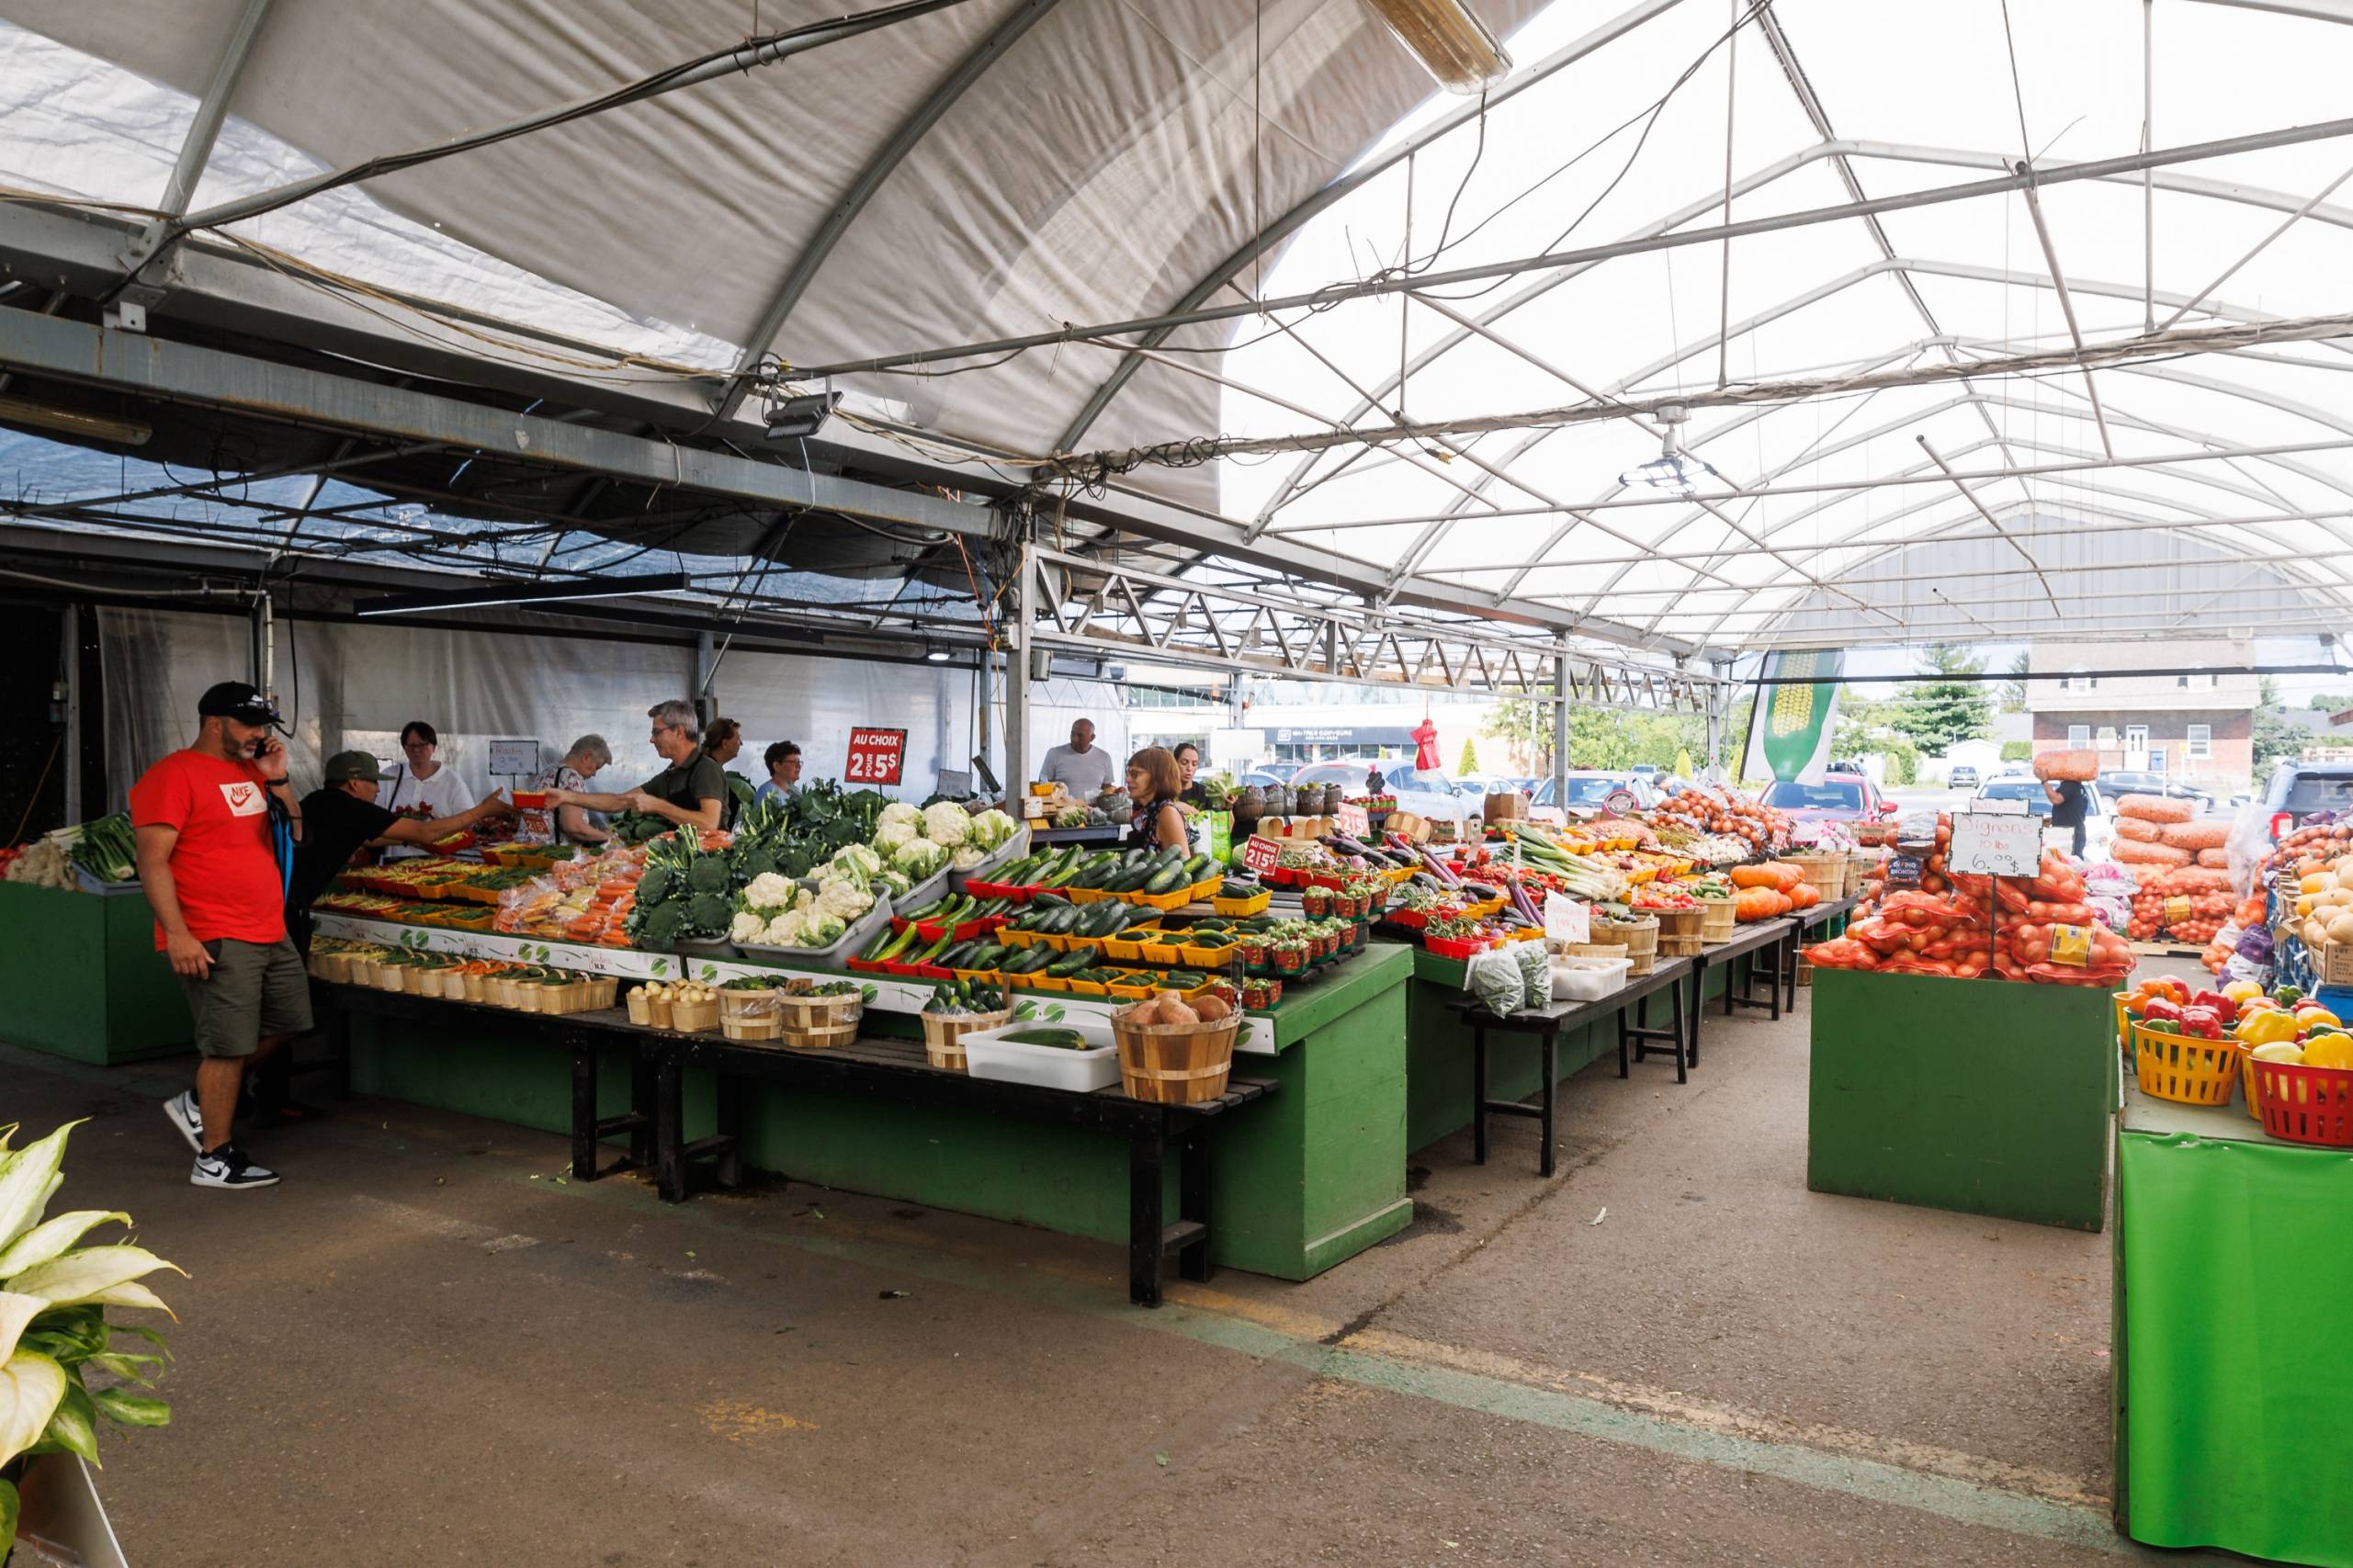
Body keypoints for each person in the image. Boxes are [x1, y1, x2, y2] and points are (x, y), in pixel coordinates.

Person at [132, 681, 308, 1190]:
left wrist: (278, 780)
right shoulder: (172, 775)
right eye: (250, 724)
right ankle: (214, 1157)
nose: (260, 734)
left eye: (264, 726)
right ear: (215, 723)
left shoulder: (253, 772)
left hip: (267, 927)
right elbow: (152, 862)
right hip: (213, 931)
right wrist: (178, 935)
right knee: (227, 1048)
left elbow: (296, 831)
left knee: (289, 1021)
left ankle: (197, 1101)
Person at [288, 751, 515, 953]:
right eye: (374, 782)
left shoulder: (315, 800)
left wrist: (410, 842)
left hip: (281, 895)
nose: (378, 789)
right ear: (354, 783)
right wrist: (482, 810)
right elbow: (424, 832)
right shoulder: (354, 809)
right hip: (290, 905)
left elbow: (369, 839)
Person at [549, 699, 727, 834]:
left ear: (679, 732)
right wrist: (566, 796)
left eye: (657, 732)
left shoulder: (705, 769)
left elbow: (709, 823)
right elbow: (619, 801)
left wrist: (659, 805)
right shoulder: (670, 774)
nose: (652, 739)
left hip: (710, 863)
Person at [380, 719, 471, 858]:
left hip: (440, 862)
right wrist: (407, 839)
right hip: (395, 860)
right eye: (410, 746)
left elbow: (467, 820)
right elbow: (374, 820)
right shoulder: (389, 776)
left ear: (433, 746)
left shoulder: (452, 780)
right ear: (404, 748)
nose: (416, 750)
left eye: (422, 745)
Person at [538, 735, 615, 847]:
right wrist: (607, 838)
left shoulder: (548, 771)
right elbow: (574, 827)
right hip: (549, 853)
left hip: (531, 848)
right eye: (596, 767)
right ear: (586, 757)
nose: (594, 774)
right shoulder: (571, 777)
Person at [1126, 747, 1190, 853]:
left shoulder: (1167, 813)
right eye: (1128, 773)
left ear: (1157, 777)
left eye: (1135, 774)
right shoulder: (1148, 811)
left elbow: (1182, 865)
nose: (1128, 779)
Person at [1040, 718, 1117, 798]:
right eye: (1072, 734)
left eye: (1080, 736)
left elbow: (1108, 789)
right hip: (1061, 809)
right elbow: (1042, 783)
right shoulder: (1054, 754)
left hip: (1094, 809)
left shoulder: (1104, 758)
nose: (1075, 739)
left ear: (1092, 737)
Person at [703, 716, 750, 828]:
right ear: (725, 743)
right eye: (738, 739)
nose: (741, 743)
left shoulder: (711, 768)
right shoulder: (709, 771)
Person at [2044, 773, 2090, 857]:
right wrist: (2054, 819)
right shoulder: (2079, 787)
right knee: (2073, 866)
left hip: (2067, 838)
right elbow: (2075, 812)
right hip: (2076, 835)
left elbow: (2056, 799)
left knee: (2067, 867)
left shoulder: (2070, 784)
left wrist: (2044, 781)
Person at [753, 740, 803, 807]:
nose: (799, 766)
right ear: (777, 766)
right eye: (794, 762)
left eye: (799, 762)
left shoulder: (797, 792)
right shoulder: (766, 793)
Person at [1173, 742, 1206, 811]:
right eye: (1184, 763)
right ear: (1174, 763)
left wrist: (1228, 807)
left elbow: (1224, 820)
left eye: (1194, 764)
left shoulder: (1204, 792)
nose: (1189, 768)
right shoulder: (1165, 791)